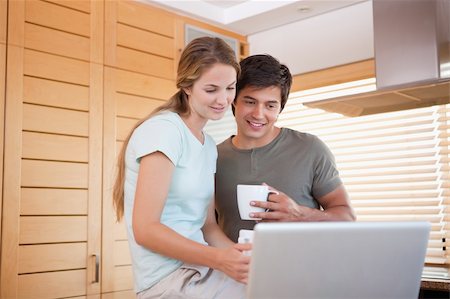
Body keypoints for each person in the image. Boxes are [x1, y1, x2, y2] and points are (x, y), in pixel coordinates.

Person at [113, 37, 250, 299]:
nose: (223, 99)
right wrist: (219, 259)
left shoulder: (207, 145)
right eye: (211, 89)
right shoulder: (164, 131)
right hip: (167, 279)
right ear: (187, 86)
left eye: (230, 88)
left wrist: (241, 257)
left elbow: (208, 226)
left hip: (200, 268)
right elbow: (146, 229)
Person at [215, 54, 356, 242]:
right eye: (250, 102)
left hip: (300, 269)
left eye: (270, 105)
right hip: (235, 269)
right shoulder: (213, 157)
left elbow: (347, 217)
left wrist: (299, 214)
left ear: (280, 108)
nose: (258, 114)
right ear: (233, 100)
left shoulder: (310, 149)